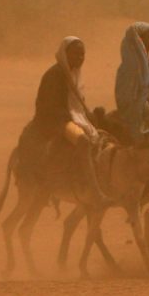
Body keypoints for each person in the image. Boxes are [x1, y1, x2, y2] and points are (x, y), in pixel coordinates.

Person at [24, 37, 103, 197]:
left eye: (82, 54)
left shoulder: (73, 74)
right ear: (65, 54)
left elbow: (77, 104)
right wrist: (74, 119)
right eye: (76, 54)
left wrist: (86, 115)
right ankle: (94, 189)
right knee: (83, 142)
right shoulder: (55, 74)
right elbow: (49, 106)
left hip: (69, 117)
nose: (80, 58)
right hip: (54, 122)